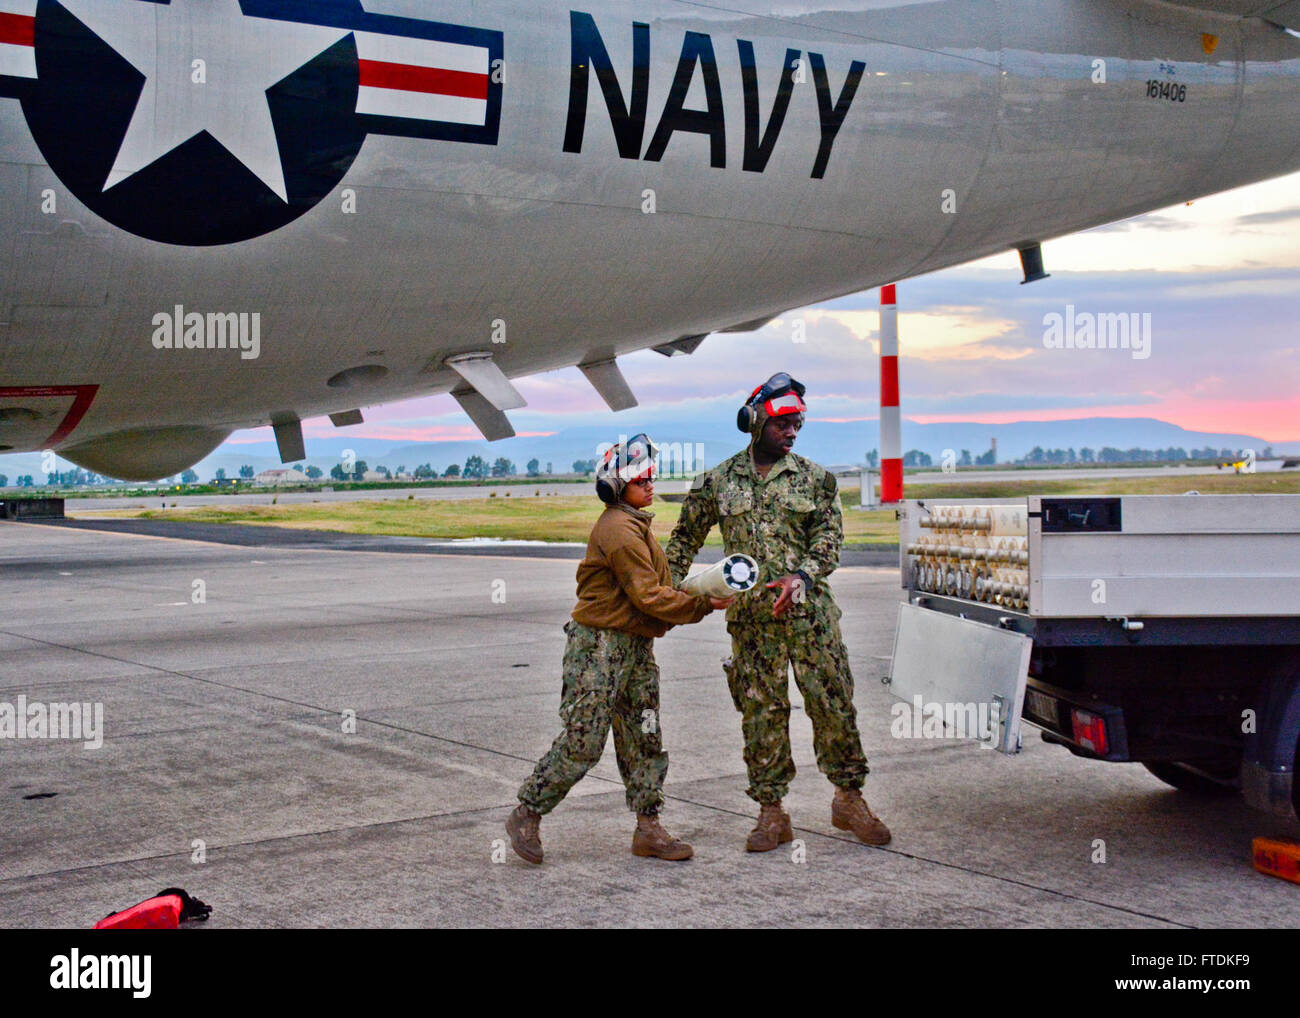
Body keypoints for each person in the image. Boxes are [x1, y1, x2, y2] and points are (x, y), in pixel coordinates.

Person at [666, 373, 891, 851]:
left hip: (811, 621)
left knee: (833, 705)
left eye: (798, 425)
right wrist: (662, 595)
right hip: (752, 623)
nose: (792, 432)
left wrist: (802, 576)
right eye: (783, 424)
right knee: (761, 713)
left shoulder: (817, 480)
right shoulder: (717, 481)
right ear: (755, 422)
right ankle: (771, 813)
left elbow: (829, 543)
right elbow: (683, 540)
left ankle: (848, 799)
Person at [506, 434, 731, 864]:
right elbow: (649, 596)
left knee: (643, 735)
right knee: (584, 741)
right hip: (599, 650)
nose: (650, 485)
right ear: (616, 487)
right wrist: (703, 604)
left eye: (650, 477)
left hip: (634, 648)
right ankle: (527, 813)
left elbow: (657, 592)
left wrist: (698, 592)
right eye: (639, 479)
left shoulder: (635, 524)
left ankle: (648, 828)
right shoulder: (618, 529)